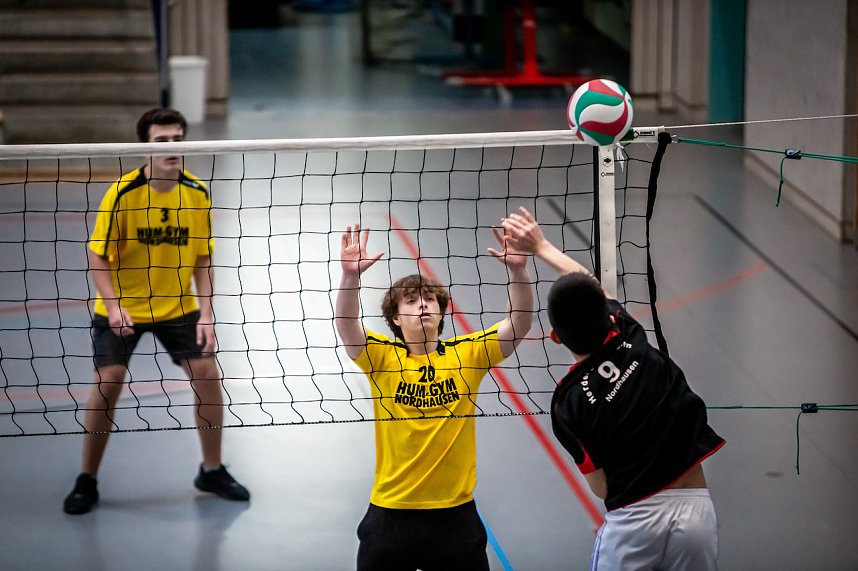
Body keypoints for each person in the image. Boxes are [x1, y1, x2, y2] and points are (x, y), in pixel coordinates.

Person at [500, 207, 725, 571]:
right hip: (695, 510)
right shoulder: (630, 335)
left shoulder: (568, 402)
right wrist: (540, 245)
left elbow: (602, 488)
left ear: (556, 338)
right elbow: (590, 285)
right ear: (608, 317)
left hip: (634, 521)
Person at [63, 108, 249, 515]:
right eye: (162, 141)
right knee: (109, 379)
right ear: (144, 146)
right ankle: (87, 478)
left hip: (178, 306)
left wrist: (207, 315)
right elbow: (98, 258)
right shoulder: (123, 193)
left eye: (178, 140)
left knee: (207, 373)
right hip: (123, 306)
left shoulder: (197, 192)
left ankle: (212, 469)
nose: (172, 148)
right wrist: (112, 308)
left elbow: (203, 259)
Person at [335, 223, 533, 570]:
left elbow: (519, 324)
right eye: (410, 301)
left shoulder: (468, 353)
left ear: (441, 311)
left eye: (429, 299)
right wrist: (350, 278)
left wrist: (518, 271)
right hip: (391, 513)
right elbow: (348, 326)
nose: (422, 305)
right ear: (396, 318)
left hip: (454, 516)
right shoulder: (381, 356)